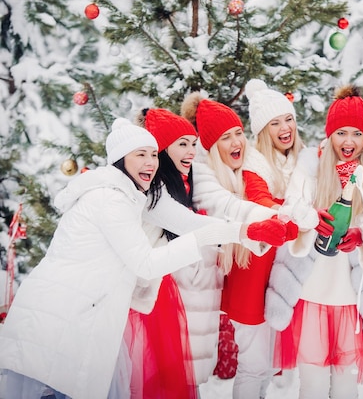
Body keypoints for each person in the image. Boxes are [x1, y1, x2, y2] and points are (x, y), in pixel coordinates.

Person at [0, 118, 290, 399]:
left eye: (153, 154)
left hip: (86, 316)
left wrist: (246, 232)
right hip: (60, 316)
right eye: (141, 154)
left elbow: (187, 222)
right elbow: (146, 262)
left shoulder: (138, 194)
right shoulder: (110, 199)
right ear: (120, 159)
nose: (151, 162)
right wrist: (203, 241)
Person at [265, 85, 363, 398]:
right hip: (312, 290)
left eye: (356, 134)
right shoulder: (310, 164)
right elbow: (291, 207)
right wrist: (311, 218)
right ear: (329, 134)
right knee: (312, 383)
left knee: (345, 384)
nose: (348, 141)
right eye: (340, 133)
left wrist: (362, 235)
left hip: (352, 294)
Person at [178, 92, 298, 389]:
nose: (236, 143)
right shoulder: (205, 176)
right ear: (211, 146)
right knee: (254, 365)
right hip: (243, 280)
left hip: (263, 274)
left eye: (238, 134)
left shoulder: (248, 169)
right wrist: (278, 215)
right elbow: (230, 208)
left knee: (264, 367)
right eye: (225, 138)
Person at [215, 78, 305, 399]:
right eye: (275, 122)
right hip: (253, 269)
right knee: (254, 364)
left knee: (266, 364)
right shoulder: (255, 162)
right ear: (261, 130)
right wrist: (296, 212)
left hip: (279, 270)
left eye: (289, 119)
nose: (285, 128)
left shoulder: (298, 160)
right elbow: (260, 202)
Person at [123, 107, 202, 399]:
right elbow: (190, 224)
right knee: (138, 371)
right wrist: (247, 230)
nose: (191, 151)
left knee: (156, 370)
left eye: (193, 143)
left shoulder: (171, 184)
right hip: (135, 289)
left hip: (157, 284)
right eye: (182, 143)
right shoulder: (153, 191)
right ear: (163, 149)